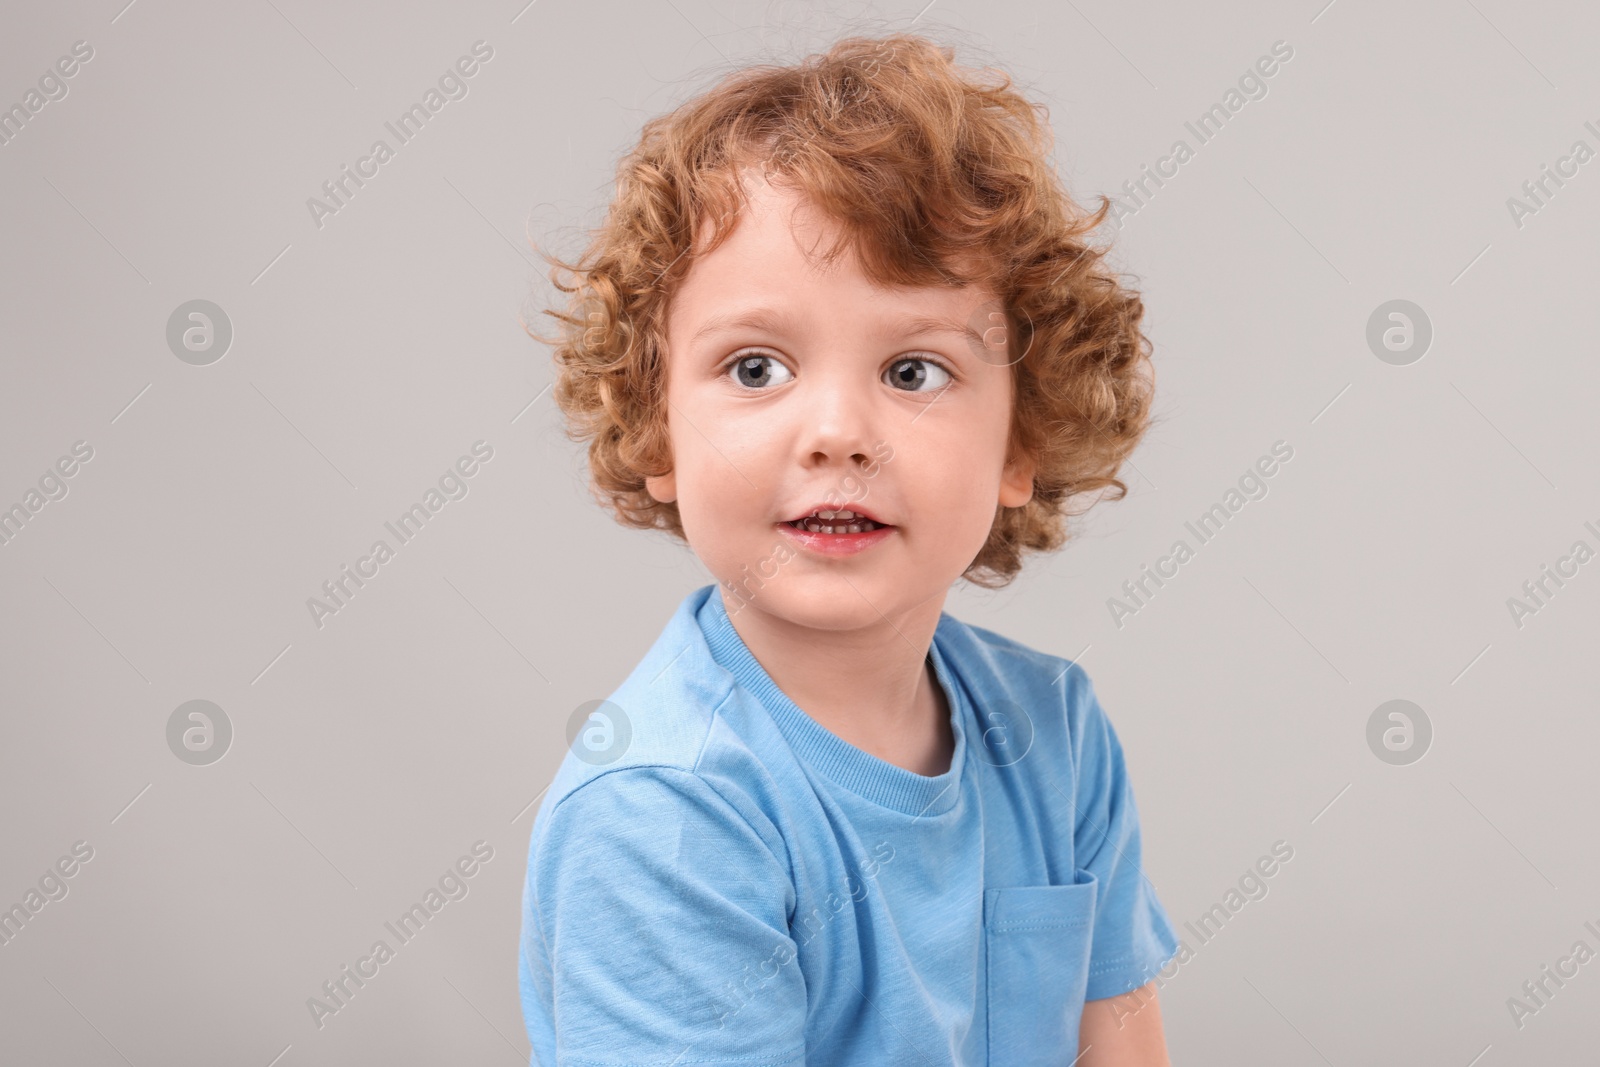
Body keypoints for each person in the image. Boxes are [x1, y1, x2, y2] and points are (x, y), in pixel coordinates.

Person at [518, 30, 1179, 1066]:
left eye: (914, 371)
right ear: (654, 429)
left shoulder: (1058, 734)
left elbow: (1121, 1044)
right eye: (753, 367)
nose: (837, 430)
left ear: (1024, 440)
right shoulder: (665, 815)